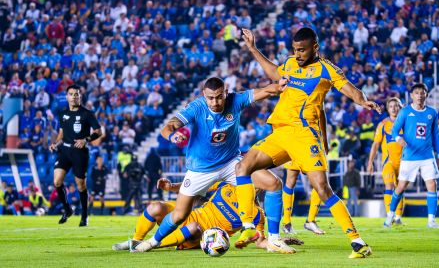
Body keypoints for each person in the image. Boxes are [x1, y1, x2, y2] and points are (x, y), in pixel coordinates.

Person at [235, 27, 381, 258]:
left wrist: (363, 101)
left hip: (305, 135)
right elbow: (275, 73)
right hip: (281, 133)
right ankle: (249, 227)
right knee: (242, 166)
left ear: (316, 47)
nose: (298, 54)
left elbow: (350, 89)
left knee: (322, 189)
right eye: (295, 50)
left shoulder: (326, 69)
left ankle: (358, 243)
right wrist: (253, 48)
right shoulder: (291, 63)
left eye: (302, 50)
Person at [134, 77, 293, 254]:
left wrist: (279, 87)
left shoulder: (236, 100)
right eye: (210, 98)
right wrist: (173, 136)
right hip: (200, 170)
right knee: (179, 215)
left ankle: (274, 239)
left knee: (273, 183)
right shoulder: (197, 107)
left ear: (226, 93)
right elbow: (169, 126)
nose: (215, 102)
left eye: (219, 97)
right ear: (204, 95)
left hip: (231, 163)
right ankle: (153, 242)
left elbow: (265, 91)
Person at [113, 178, 302, 252]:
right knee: (155, 207)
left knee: (194, 227)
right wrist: (172, 187)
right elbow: (196, 185)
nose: (256, 183)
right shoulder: (226, 186)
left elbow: (259, 241)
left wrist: (277, 241)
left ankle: (152, 245)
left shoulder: (257, 215)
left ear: (262, 188)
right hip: (190, 216)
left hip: (201, 235)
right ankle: (136, 241)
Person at [384, 83, 439, 229]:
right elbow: (395, 130)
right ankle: (390, 214)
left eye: (422, 93)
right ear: (412, 95)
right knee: (401, 187)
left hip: (428, 156)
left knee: (432, 185)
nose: (420, 95)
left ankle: (431, 221)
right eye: (416, 93)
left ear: (426, 95)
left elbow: (436, 134)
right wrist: (398, 139)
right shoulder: (405, 112)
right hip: (409, 156)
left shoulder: (432, 112)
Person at [48, 84, 102, 227]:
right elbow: (62, 133)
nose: (74, 97)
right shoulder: (63, 113)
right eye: (71, 94)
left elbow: (99, 131)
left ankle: (84, 216)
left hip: (79, 153)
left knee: (80, 185)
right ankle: (67, 209)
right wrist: (55, 144)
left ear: (80, 96)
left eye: (76, 94)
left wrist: (86, 140)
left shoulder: (87, 113)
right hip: (64, 151)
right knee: (57, 182)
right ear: (67, 97)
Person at [367, 97, 405, 225]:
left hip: (405, 162)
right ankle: (390, 216)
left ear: (400, 107)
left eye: (396, 106)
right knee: (389, 186)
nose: (394, 108)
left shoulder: (407, 123)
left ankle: (398, 218)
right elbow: (376, 145)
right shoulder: (383, 124)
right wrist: (370, 162)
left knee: (400, 189)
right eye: (391, 106)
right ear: (388, 109)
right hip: (388, 162)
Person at [282, 164, 325, 235]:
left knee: (319, 181)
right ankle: (287, 223)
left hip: (310, 154)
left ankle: (310, 221)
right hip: (296, 153)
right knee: (291, 180)